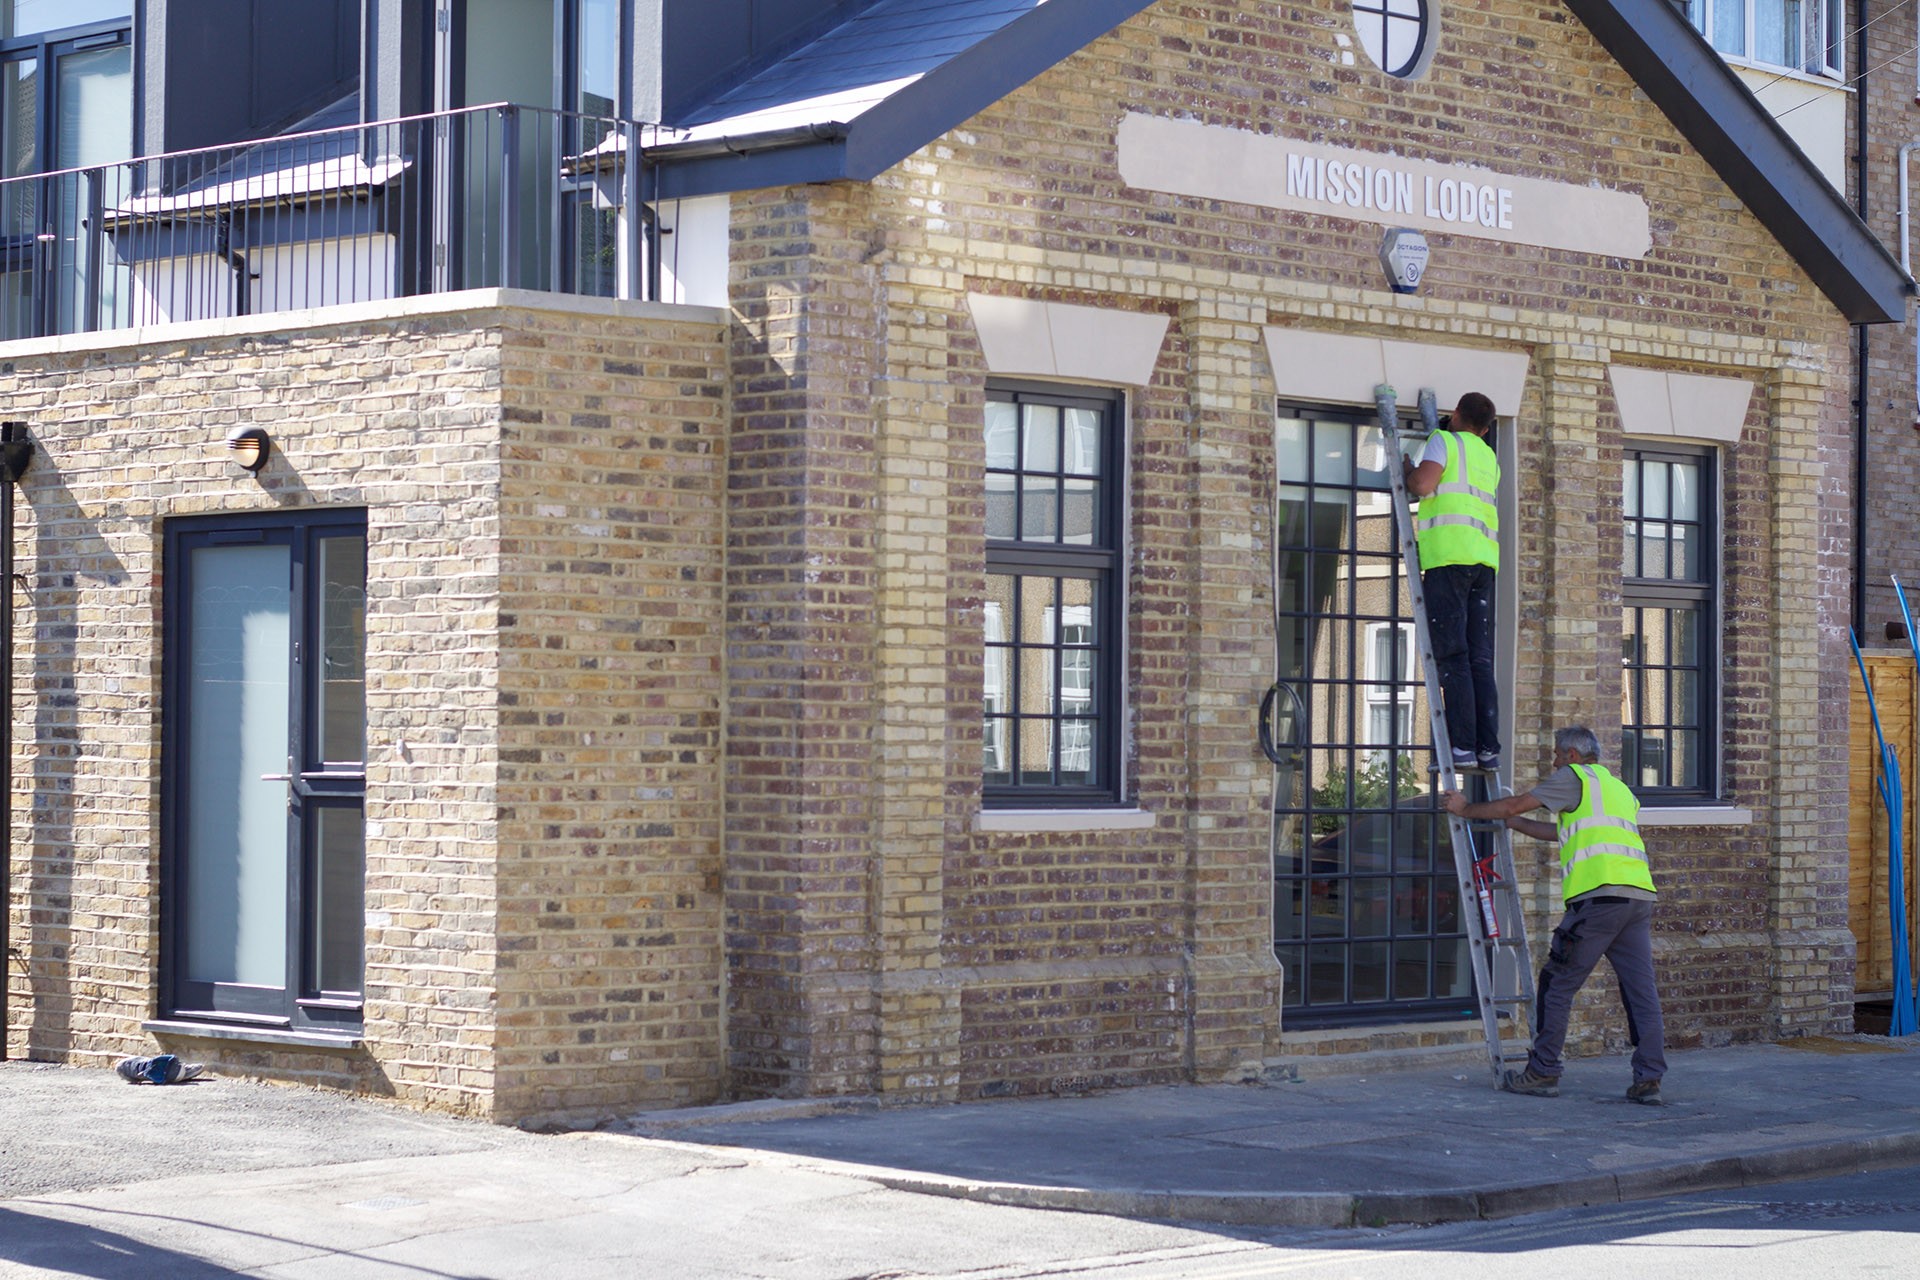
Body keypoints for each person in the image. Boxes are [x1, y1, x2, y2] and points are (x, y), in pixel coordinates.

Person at [1442, 725, 1665, 1104]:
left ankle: (1543, 1071)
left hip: (1598, 902)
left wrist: (1465, 809)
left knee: (1556, 984)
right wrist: (1515, 825)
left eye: (1558, 755)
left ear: (1573, 756)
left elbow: (1515, 804)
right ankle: (1649, 1079)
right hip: (1637, 900)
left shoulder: (1573, 778)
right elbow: (1568, 833)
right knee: (1641, 992)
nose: (1554, 761)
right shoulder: (1618, 789)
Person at [1405, 391, 1500, 771]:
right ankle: (1486, 748)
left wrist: (1409, 470)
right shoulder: (1489, 457)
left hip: (1449, 559)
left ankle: (1461, 745)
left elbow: (1423, 486)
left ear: (1456, 413)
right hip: (1483, 563)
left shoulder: (1444, 441)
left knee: (1453, 656)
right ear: (1487, 428)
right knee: (1479, 658)